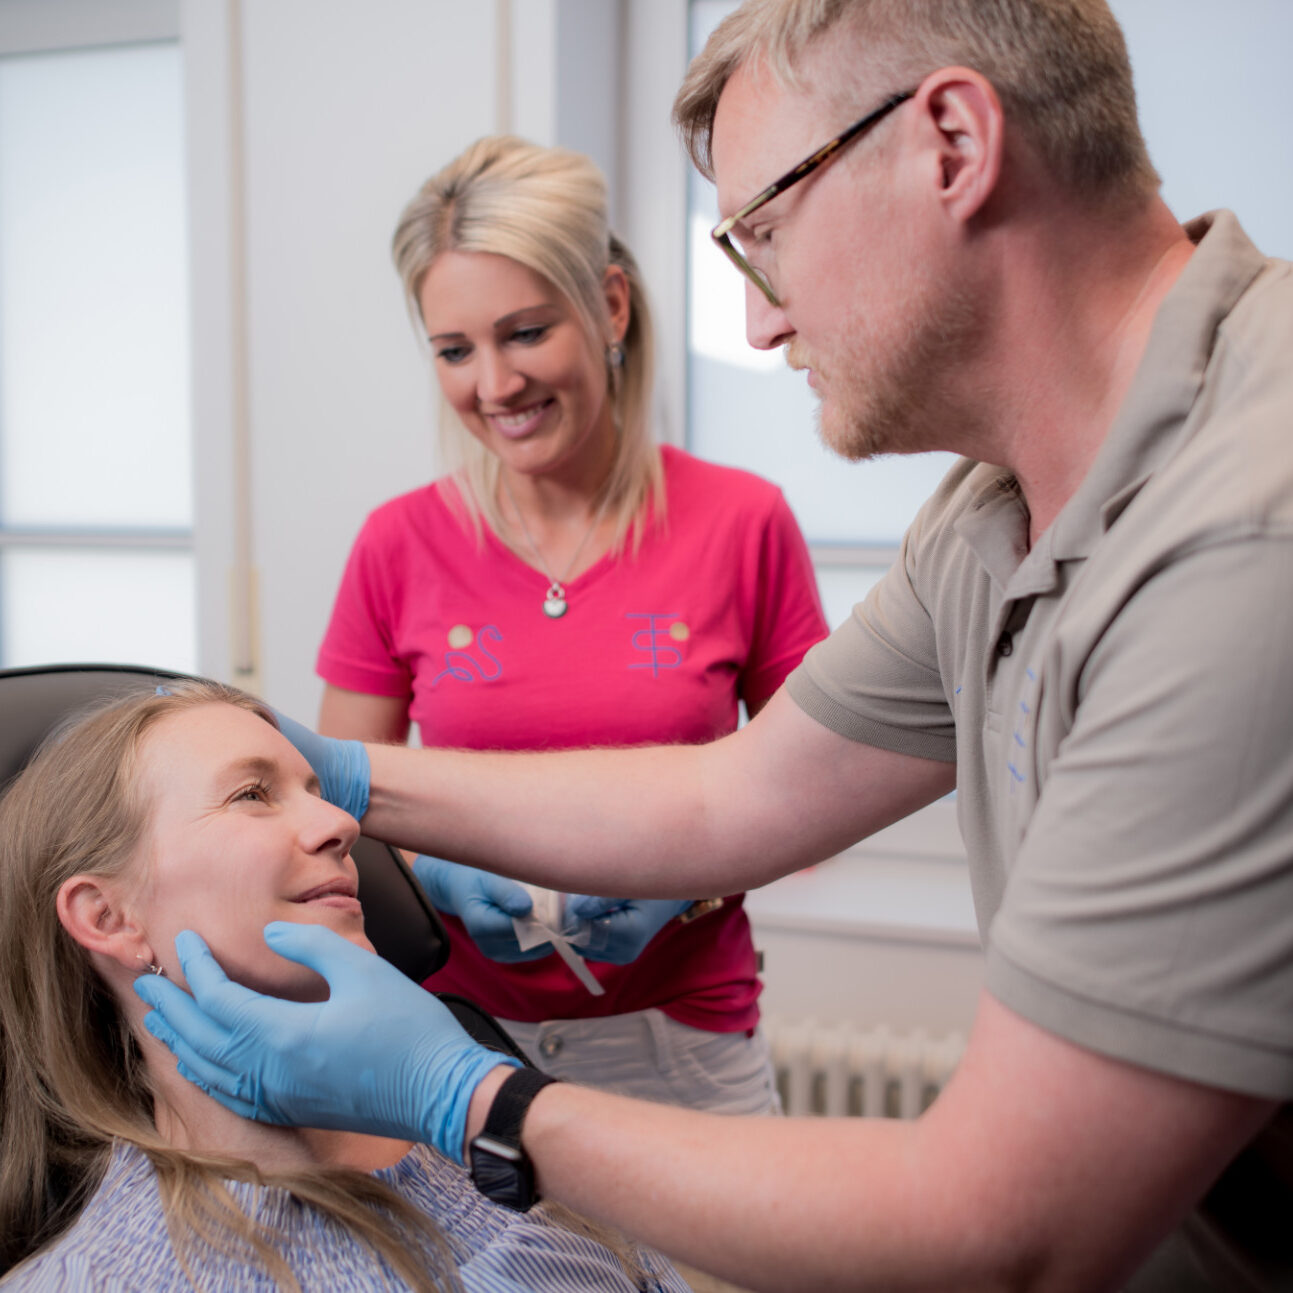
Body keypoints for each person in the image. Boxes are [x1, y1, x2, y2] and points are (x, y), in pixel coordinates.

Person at [136, 1, 1293, 1289]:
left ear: (953, 146)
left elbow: (1013, 1230)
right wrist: (348, 782)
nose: (761, 324)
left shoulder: (1248, 531)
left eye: (767, 232)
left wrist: (474, 1102)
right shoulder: (991, 509)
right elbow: (733, 792)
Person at [313, 134, 827, 1110]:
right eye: (455, 350)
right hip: (459, 1050)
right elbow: (343, 813)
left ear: (611, 306)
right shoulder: (397, 545)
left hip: (687, 1052)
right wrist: (436, 875)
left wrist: (694, 875)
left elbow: (822, 797)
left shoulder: (741, 524)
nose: (495, 386)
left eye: (525, 332)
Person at [0, 680, 688, 1292]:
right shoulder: (94, 1276)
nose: (343, 824)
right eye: (250, 794)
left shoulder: (508, 1147)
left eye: (318, 791)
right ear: (107, 916)